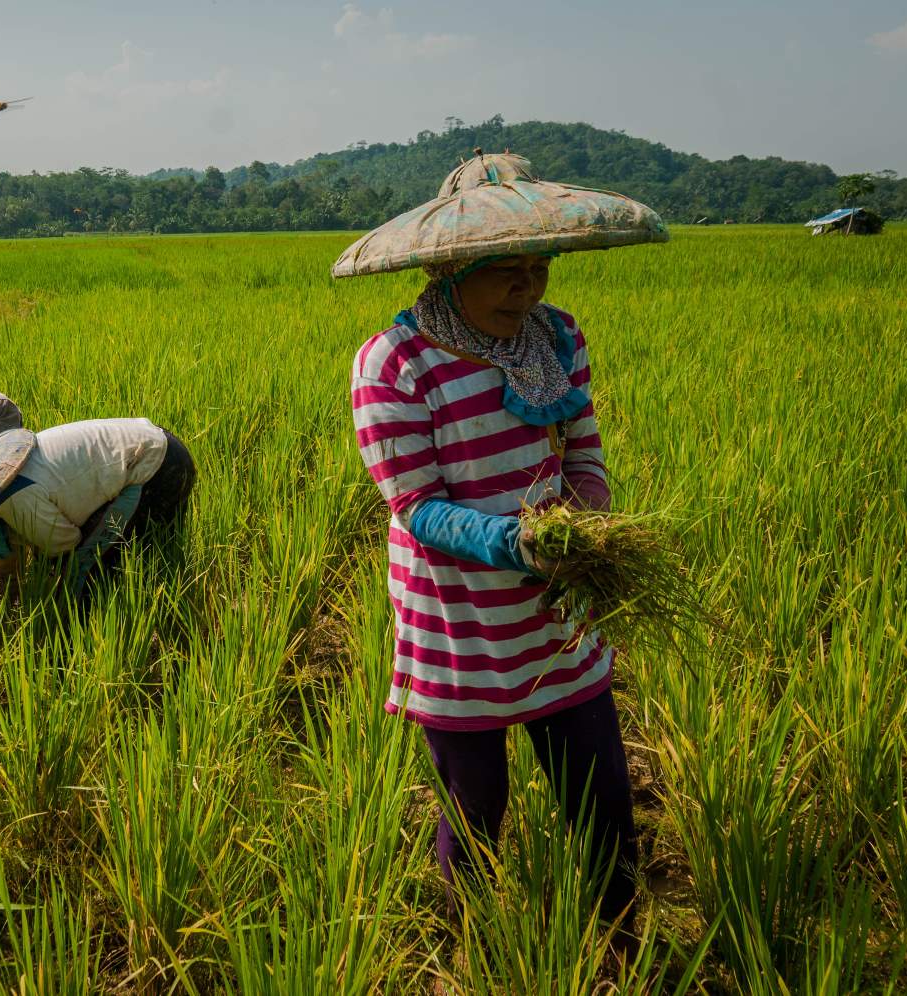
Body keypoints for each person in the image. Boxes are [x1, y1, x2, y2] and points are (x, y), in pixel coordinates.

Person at [338, 151, 669, 936]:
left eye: (539, 264)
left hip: (559, 611)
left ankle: (621, 943)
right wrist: (517, 542)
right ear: (448, 267)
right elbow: (415, 504)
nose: (529, 286)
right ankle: (477, 949)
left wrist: (587, 521)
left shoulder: (557, 336)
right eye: (505, 268)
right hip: (459, 623)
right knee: (476, 808)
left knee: (603, 796)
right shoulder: (394, 364)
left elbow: (582, 450)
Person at [0, 419, 195, 619]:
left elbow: (65, 544)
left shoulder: (13, 496)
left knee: (82, 572)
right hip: (156, 440)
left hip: (158, 466)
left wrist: (40, 571)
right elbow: (2, 566)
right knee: (138, 558)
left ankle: (81, 643)